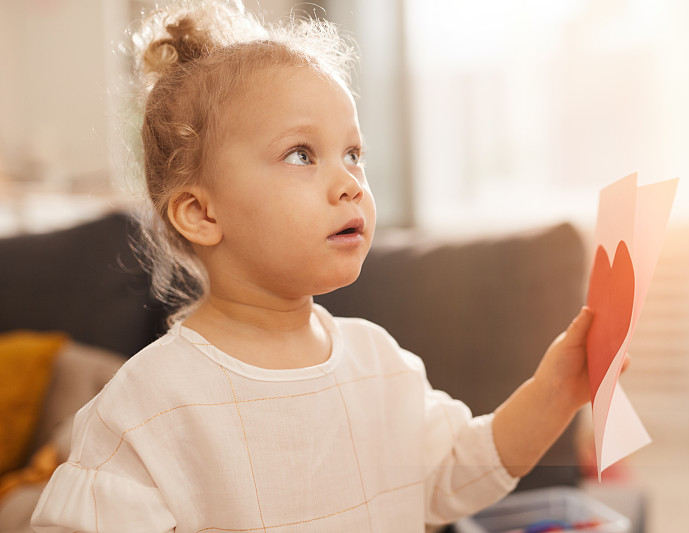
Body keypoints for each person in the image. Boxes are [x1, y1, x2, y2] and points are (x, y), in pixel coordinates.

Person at [32, 1, 594, 531]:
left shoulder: (381, 364)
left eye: (353, 154)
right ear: (201, 213)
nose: (350, 182)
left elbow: (460, 469)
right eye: (301, 154)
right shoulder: (147, 405)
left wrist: (556, 392)